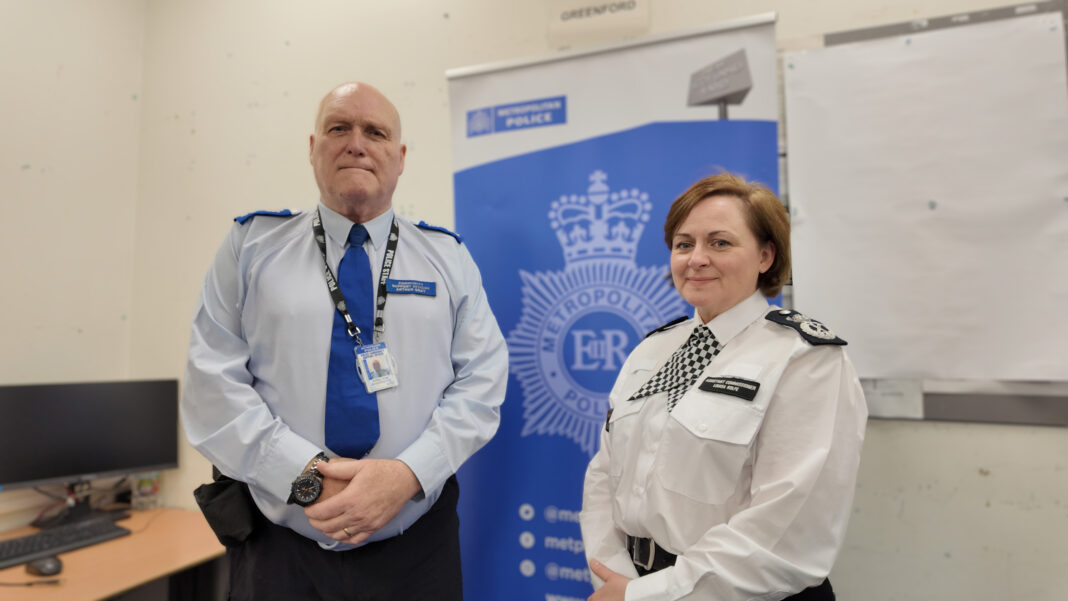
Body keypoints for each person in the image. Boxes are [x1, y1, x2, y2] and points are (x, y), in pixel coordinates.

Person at [181, 81, 508, 600]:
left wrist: (405, 475)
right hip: (279, 549)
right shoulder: (250, 247)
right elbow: (211, 386)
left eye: (374, 132)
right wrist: (305, 477)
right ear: (313, 149)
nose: (356, 143)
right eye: (339, 128)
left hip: (416, 550)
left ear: (399, 158)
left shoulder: (447, 259)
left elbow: (482, 384)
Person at [579, 173, 867, 601]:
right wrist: (616, 576)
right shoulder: (650, 352)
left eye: (720, 243)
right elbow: (605, 475)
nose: (696, 258)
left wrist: (652, 595)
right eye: (683, 244)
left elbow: (787, 528)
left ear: (766, 255)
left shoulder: (804, 360)